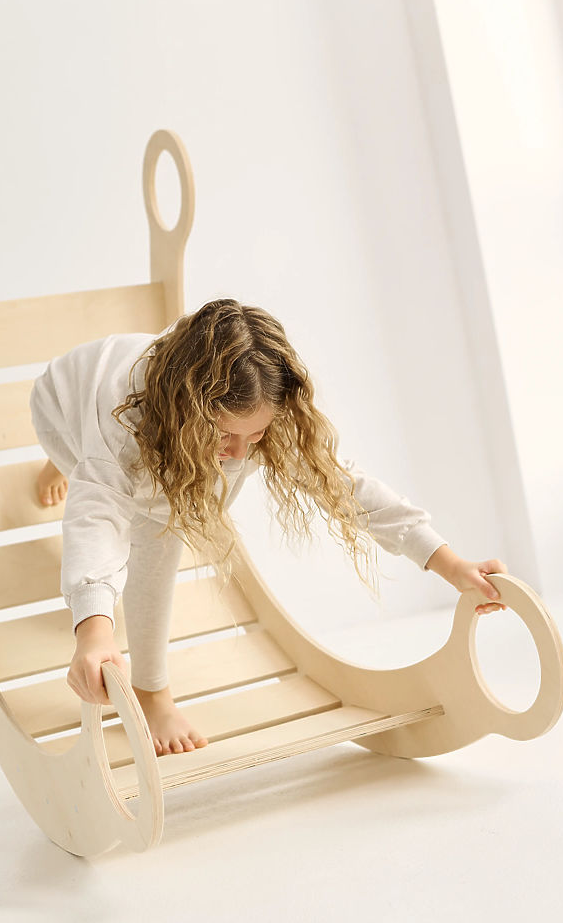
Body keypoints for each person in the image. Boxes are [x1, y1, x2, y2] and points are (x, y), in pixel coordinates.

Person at [30, 299, 507, 755]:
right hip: (61, 406)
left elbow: (346, 487)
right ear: (185, 409)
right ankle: (152, 692)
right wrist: (93, 632)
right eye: (223, 434)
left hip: (124, 434)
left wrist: (448, 563)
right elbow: (96, 520)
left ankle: (82, 465)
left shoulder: (256, 424)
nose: (240, 454)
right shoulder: (122, 433)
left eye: (255, 434)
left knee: (146, 500)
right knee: (146, 524)